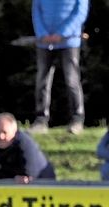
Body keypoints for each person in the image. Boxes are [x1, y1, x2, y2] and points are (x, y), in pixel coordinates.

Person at [29, 0, 89, 135]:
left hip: (69, 41)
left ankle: (77, 120)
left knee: (72, 81)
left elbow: (80, 12)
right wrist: (42, 34)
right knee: (42, 81)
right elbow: (36, 10)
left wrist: (62, 34)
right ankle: (41, 120)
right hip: (44, 42)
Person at [0, 112, 56, 183]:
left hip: (43, 182)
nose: (1, 137)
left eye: (5, 132)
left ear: (14, 131)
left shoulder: (24, 143)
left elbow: (28, 175)